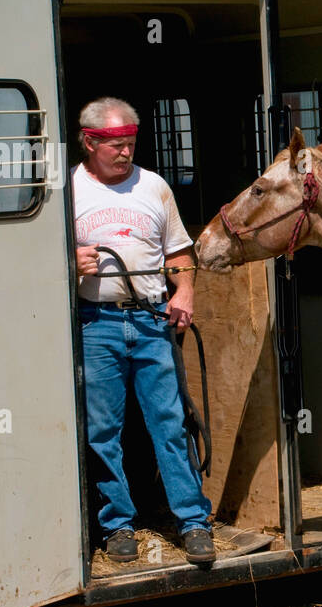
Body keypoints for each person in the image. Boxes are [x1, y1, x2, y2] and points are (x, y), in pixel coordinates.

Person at [72, 97, 215, 565]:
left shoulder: (153, 187)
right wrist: (70, 264)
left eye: (131, 144)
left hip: (152, 320)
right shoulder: (68, 190)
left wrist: (185, 290)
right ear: (90, 142)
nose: (126, 153)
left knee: (170, 423)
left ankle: (193, 523)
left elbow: (178, 253)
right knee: (103, 430)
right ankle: (117, 526)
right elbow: (35, 263)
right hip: (97, 323)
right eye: (116, 145)